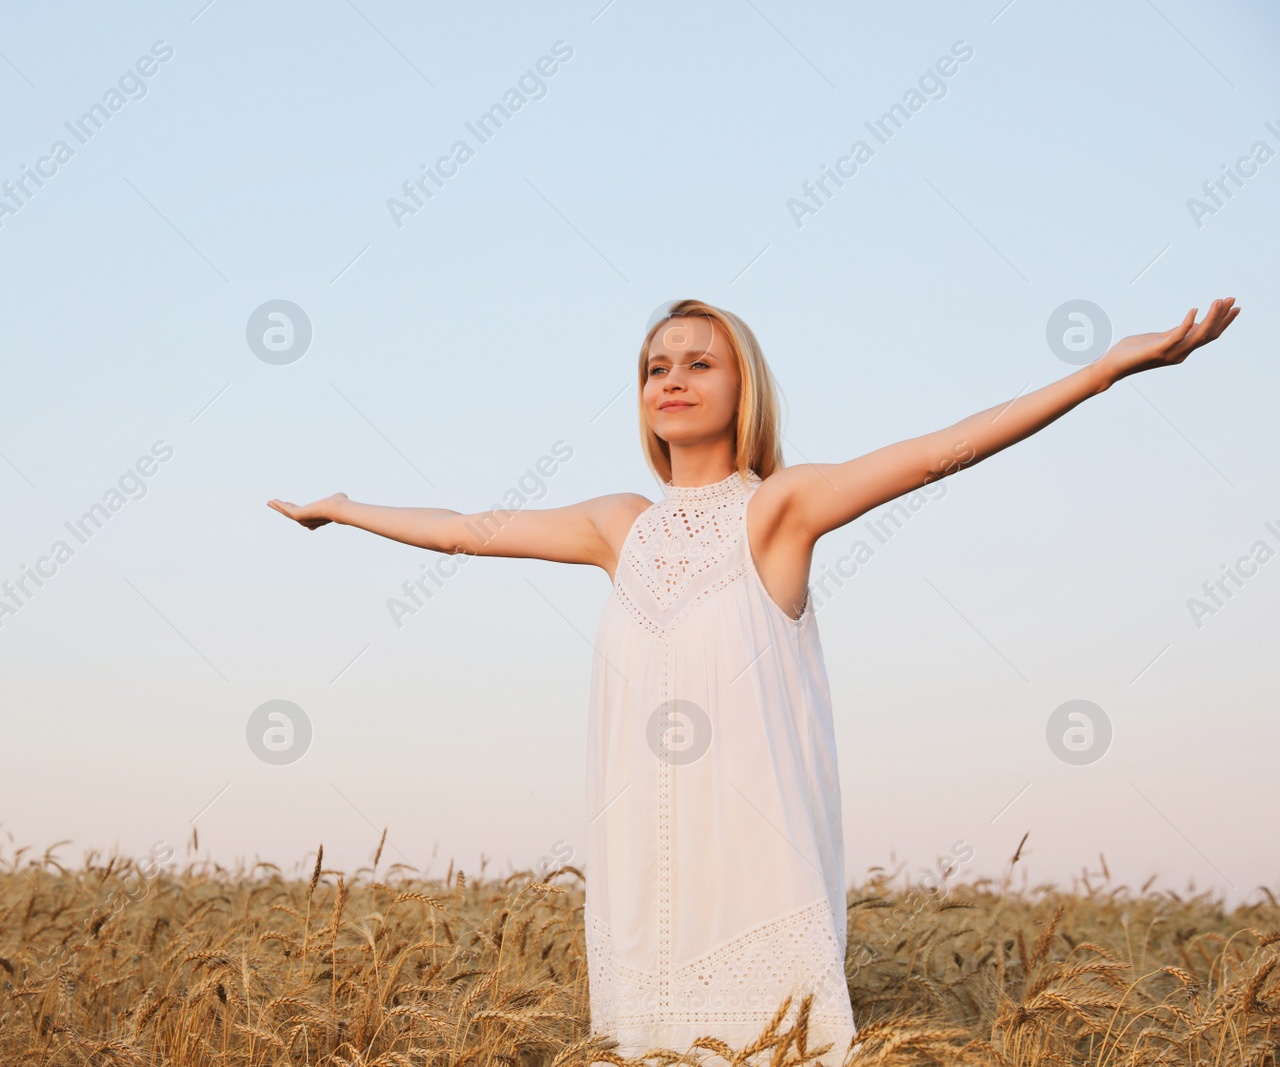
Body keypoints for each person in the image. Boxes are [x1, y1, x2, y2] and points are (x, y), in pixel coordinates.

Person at [268, 295, 1240, 1064]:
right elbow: (459, 529)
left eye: (700, 360)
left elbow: (942, 450)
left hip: (753, 877)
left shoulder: (779, 509)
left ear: (745, 385)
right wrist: (345, 509)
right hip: (641, 878)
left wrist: (1108, 369)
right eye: (655, 365)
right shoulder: (618, 526)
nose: (672, 378)